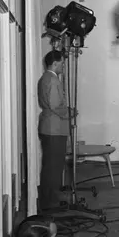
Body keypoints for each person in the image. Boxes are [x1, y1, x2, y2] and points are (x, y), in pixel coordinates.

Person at [37, 50, 71, 211]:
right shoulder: (52, 80)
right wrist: (69, 112)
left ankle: (50, 199)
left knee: (50, 166)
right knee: (54, 168)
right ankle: (51, 203)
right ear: (55, 63)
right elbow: (55, 105)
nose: (63, 66)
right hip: (54, 129)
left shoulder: (45, 78)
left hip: (50, 127)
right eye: (62, 63)